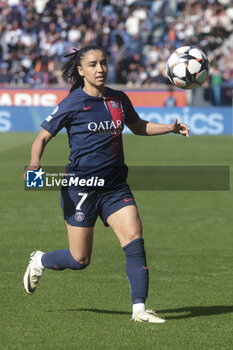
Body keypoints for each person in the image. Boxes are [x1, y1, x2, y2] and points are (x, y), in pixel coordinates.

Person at [23, 45, 189, 323]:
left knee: (134, 238)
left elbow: (137, 126)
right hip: (80, 190)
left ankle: (139, 310)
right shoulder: (73, 103)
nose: (100, 69)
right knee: (79, 260)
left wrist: (169, 129)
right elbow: (41, 138)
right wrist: (34, 164)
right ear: (80, 71)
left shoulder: (118, 99)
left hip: (114, 187)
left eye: (103, 63)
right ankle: (40, 260)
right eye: (92, 65)